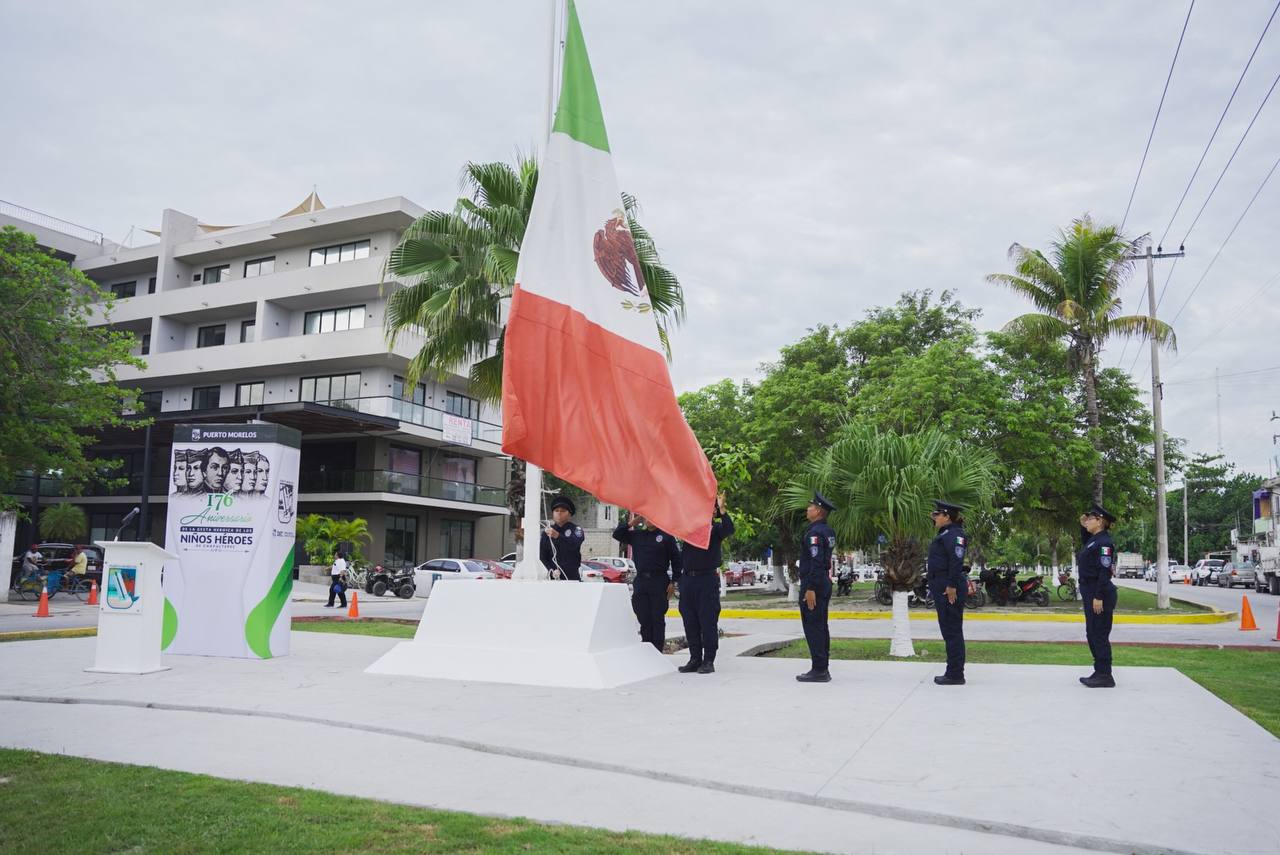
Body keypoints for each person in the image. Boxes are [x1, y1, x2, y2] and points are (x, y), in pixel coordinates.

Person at [677, 492, 733, 674]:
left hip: (706, 580)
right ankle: (695, 658)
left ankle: (709, 660)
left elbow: (729, 528)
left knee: (707, 620)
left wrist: (722, 509)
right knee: (689, 619)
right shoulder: (688, 529)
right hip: (688, 580)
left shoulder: (715, 530)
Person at [614, 510, 682, 651]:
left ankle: (657, 651)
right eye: (645, 517)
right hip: (641, 580)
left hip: (659, 580)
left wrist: (673, 582)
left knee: (657, 618)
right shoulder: (637, 535)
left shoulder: (666, 536)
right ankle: (647, 649)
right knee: (643, 617)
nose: (648, 520)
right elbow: (617, 534)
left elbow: (676, 560)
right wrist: (633, 522)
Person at [927, 500, 969, 686]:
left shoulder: (954, 535)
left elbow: (956, 560)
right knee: (949, 629)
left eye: (937, 515)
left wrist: (951, 586)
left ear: (947, 516)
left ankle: (955, 674)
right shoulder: (946, 533)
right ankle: (953, 671)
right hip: (942, 584)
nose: (934, 518)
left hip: (948, 586)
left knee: (952, 630)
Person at [796, 493, 836, 683]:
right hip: (822, 582)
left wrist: (810, 588)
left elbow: (816, 562)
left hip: (814, 584)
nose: (807, 509)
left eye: (810, 506)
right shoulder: (827, 531)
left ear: (818, 511)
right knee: (821, 626)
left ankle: (819, 669)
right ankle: (822, 667)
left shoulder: (814, 533)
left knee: (813, 626)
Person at [1077, 503, 1118, 688]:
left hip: (1098, 592)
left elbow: (1104, 571)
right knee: (1092, 632)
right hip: (1090, 591)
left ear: (1100, 521)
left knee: (1099, 633)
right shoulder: (1094, 540)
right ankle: (1099, 670)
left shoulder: (1105, 543)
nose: (1087, 521)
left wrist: (1098, 596)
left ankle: (1105, 675)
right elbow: (1086, 543)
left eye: (1090, 518)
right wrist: (1082, 524)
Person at [540, 495, 585, 580]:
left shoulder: (576, 530)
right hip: (553, 577)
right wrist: (551, 570)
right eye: (556, 510)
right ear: (553, 513)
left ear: (569, 514)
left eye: (563, 511)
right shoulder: (546, 532)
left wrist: (558, 536)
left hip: (572, 577)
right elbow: (542, 556)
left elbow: (574, 544)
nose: (559, 513)